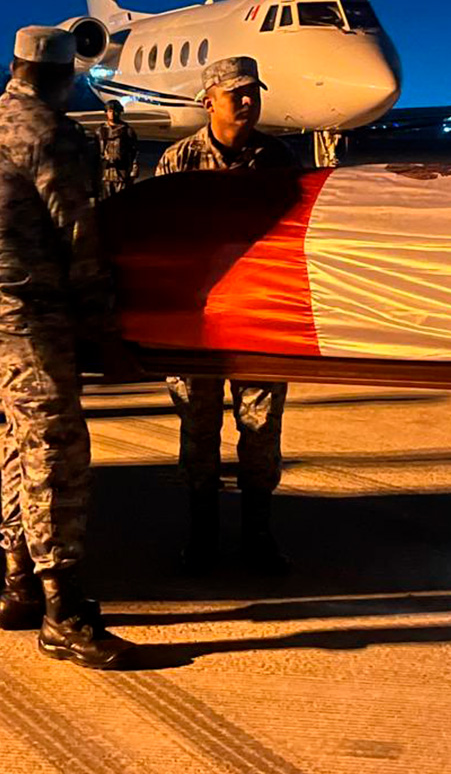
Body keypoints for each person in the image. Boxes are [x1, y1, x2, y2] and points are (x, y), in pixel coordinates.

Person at [0, 25, 135, 670]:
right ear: (66, 76)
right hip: (30, 313)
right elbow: (80, 237)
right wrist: (106, 329)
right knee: (58, 448)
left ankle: (18, 584)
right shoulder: (50, 132)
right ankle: (65, 610)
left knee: (22, 439)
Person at [156, 55, 297, 575]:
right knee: (198, 428)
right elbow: (161, 239)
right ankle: (203, 537)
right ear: (207, 100)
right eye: (235, 92)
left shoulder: (279, 158)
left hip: (259, 316)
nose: (247, 101)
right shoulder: (178, 160)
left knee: (260, 428)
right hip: (198, 321)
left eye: (252, 91)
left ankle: (259, 535)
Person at [97, 99, 139, 199]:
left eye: (115, 111)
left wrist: (134, 171)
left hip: (122, 174)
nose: (113, 114)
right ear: (106, 112)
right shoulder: (100, 131)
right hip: (105, 175)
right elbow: (95, 153)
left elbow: (134, 152)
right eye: (110, 111)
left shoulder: (127, 131)